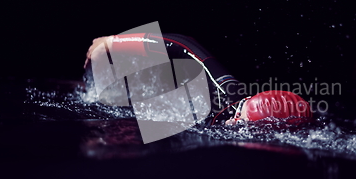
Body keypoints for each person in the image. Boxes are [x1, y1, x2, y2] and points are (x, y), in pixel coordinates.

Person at [84, 33, 312, 126]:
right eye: (241, 121)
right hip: (166, 82)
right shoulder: (226, 94)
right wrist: (113, 42)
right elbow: (184, 44)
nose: (234, 125)